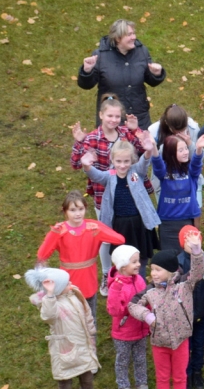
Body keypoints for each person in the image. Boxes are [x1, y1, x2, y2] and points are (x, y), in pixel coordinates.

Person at [70, 96, 152, 288]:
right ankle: (108, 274)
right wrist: (79, 143)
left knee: (132, 234)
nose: (113, 120)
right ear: (101, 115)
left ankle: (135, 274)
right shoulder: (91, 138)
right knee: (107, 237)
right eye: (109, 116)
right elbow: (76, 163)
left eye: (117, 116)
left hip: (131, 195)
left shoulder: (125, 133)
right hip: (103, 197)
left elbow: (143, 150)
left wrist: (135, 130)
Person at [128, 239, 204, 389]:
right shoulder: (151, 292)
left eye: (157, 269)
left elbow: (198, 271)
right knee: (162, 376)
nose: (153, 273)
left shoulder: (184, 286)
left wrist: (196, 251)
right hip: (159, 342)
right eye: (152, 269)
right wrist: (146, 315)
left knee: (179, 376)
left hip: (180, 341)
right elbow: (132, 305)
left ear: (170, 271)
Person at [37, 190, 125, 324]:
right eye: (72, 210)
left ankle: (91, 344)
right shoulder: (60, 231)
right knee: (71, 321)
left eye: (81, 209)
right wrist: (54, 233)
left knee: (90, 318)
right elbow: (42, 255)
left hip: (89, 280)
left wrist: (99, 228)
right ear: (65, 211)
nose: (78, 213)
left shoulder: (93, 228)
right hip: (68, 282)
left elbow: (120, 239)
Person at [25, 267, 101, 389]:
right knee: (65, 376)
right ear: (57, 289)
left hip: (82, 342)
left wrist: (91, 330)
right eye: (66, 283)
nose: (71, 283)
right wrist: (51, 295)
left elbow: (86, 311)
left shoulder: (74, 294)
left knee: (86, 371)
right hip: (65, 346)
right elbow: (48, 316)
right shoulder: (51, 304)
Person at [78, 136, 160, 270]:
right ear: (112, 160)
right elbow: (95, 175)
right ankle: (124, 287)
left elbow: (144, 162)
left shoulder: (136, 172)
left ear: (132, 160)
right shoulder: (109, 176)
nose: (122, 165)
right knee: (122, 259)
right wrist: (86, 165)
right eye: (119, 161)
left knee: (141, 257)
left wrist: (149, 151)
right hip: (120, 225)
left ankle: (140, 285)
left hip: (139, 223)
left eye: (126, 161)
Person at [77, 19, 165, 130]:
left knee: (142, 147)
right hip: (112, 119)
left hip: (139, 118)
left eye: (134, 33)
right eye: (129, 34)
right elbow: (86, 85)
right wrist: (87, 71)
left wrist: (156, 74)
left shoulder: (142, 51)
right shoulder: (100, 55)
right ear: (118, 38)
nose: (134, 37)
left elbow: (150, 80)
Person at [105, 245, 150, 389]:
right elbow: (114, 310)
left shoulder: (138, 279)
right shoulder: (116, 286)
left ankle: (142, 386)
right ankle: (124, 388)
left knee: (140, 359)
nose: (139, 264)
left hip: (141, 329)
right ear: (123, 266)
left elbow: (146, 299)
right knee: (123, 360)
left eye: (138, 261)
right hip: (123, 332)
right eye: (134, 262)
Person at [152, 132, 204, 250]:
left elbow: (196, 164)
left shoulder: (190, 171)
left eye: (186, 148)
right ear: (170, 153)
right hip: (167, 221)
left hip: (187, 220)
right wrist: (153, 148)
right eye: (180, 150)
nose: (186, 152)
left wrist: (199, 149)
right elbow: (157, 165)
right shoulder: (164, 171)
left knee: (187, 257)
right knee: (170, 260)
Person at [177, 225, 204, 389]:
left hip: (202, 312)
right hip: (183, 315)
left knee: (199, 345)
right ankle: (185, 375)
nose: (194, 243)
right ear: (182, 243)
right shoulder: (178, 262)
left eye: (197, 239)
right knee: (185, 347)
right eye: (189, 241)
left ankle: (197, 373)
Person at [147, 103, 204, 211]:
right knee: (168, 212)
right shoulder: (154, 131)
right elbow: (153, 161)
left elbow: (198, 158)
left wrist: (190, 143)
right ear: (167, 124)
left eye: (182, 129)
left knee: (195, 209)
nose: (179, 133)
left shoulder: (193, 128)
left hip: (189, 177)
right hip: (165, 180)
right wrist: (168, 148)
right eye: (176, 130)